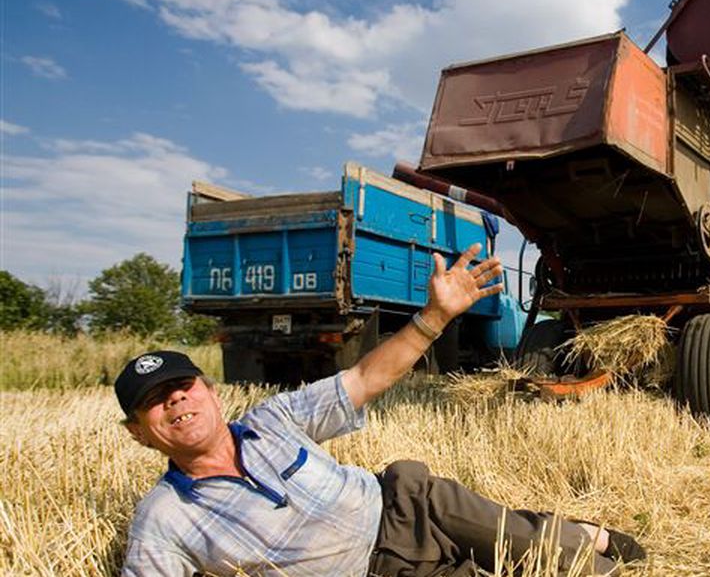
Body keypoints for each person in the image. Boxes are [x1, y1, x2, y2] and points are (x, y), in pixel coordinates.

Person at [117, 243, 645, 576]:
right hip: (381, 571)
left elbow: (366, 377)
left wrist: (435, 317)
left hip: (406, 506)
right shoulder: (164, 518)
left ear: (211, 391)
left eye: (183, 386)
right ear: (139, 432)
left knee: (557, 557)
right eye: (155, 402)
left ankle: (586, 537)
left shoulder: (270, 421)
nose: (176, 401)